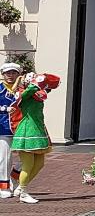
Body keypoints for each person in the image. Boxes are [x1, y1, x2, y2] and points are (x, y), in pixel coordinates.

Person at [12, 73, 59, 204]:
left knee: (39, 164)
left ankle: (21, 187)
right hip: (27, 131)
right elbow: (29, 91)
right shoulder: (23, 94)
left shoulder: (37, 94)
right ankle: (23, 193)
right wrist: (36, 82)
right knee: (28, 165)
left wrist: (46, 82)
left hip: (38, 130)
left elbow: (51, 84)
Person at [0, 64, 20, 198]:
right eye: (8, 73)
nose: (10, 75)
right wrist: (5, 109)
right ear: (3, 74)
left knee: (30, 156)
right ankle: (4, 186)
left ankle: (15, 175)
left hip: (21, 127)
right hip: (4, 127)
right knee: (5, 158)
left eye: (13, 73)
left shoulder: (22, 89)